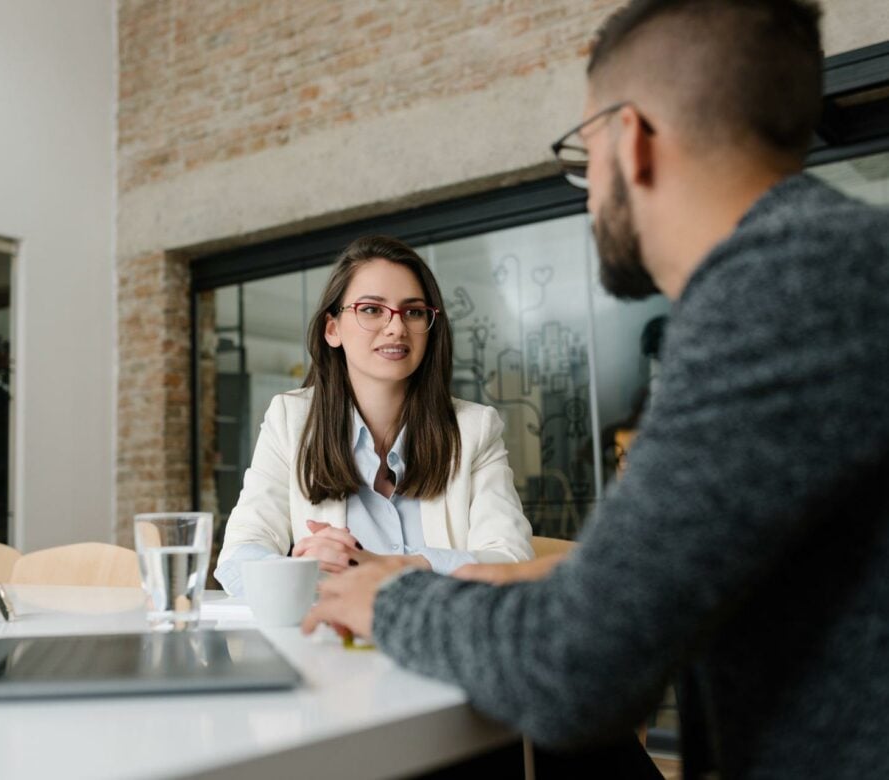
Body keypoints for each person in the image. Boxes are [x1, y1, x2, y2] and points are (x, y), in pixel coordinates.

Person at [302, 1, 889, 778]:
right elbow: (726, 559)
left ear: (630, 137)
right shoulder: (831, 265)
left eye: (585, 157)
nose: (586, 193)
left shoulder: (780, 291)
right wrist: (523, 575)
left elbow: (574, 668)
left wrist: (385, 600)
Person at [213, 235, 533, 596]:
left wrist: (392, 567)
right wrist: (302, 569)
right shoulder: (291, 420)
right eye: (371, 309)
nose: (396, 327)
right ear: (332, 329)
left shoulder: (474, 429)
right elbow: (238, 554)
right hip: (331, 644)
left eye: (413, 312)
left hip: (439, 643)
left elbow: (512, 562)